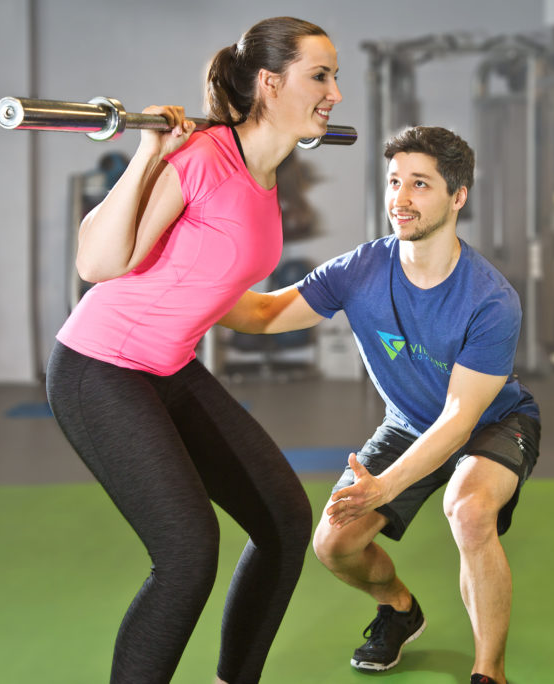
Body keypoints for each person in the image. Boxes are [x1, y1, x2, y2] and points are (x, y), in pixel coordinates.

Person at [44, 16, 342, 684]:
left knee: (284, 520)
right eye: (319, 76)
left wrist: (350, 287)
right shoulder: (205, 157)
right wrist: (150, 152)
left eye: (334, 77)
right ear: (270, 83)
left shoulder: (267, 182)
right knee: (186, 554)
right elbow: (98, 261)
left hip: (168, 369)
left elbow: (234, 303)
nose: (334, 93)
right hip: (99, 369)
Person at [220, 126, 541, 684]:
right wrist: (182, 278)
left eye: (420, 184)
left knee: (467, 510)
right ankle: (398, 607)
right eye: (395, 182)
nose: (401, 199)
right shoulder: (361, 270)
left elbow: (459, 420)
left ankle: (490, 672)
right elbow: (263, 314)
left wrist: (385, 485)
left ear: (457, 196)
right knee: (334, 544)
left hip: (493, 423)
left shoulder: (491, 300)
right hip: (410, 423)